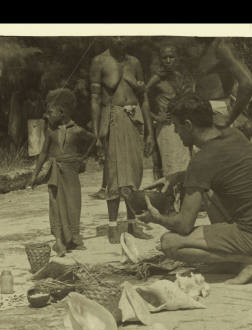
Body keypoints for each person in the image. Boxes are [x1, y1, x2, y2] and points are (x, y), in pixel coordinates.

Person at [138, 93, 252, 285]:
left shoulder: (202, 161)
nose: (176, 132)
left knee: (169, 243)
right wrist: (178, 177)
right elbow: (220, 171)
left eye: (176, 127)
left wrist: (157, 218)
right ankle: (231, 259)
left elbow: (184, 225)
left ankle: (249, 259)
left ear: (189, 125)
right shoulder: (233, 134)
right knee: (206, 191)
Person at [89, 37, 154, 244]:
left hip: (135, 120)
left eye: (124, 35)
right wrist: (97, 131)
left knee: (134, 174)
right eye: (116, 35)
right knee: (115, 175)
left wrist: (150, 131)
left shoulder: (134, 62)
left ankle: (133, 225)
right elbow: (95, 99)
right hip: (113, 118)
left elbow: (144, 99)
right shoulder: (99, 61)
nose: (120, 39)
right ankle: (112, 227)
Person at [29, 88, 96, 257]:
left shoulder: (77, 130)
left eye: (50, 112)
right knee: (56, 205)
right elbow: (43, 153)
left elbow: (93, 139)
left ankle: (73, 237)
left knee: (73, 203)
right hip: (55, 173)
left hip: (71, 172)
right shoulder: (51, 132)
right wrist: (34, 175)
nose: (47, 115)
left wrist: (83, 158)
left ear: (62, 112)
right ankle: (59, 241)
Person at [145, 44, 194, 209]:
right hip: (166, 128)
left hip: (181, 126)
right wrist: (155, 117)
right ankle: (169, 206)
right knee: (170, 166)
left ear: (177, 58)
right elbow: (140, 98)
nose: (168, 60)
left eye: (171, 57)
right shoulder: (156, 78)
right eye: (164, 57)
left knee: (185, 165)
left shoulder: (180, 76)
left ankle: (185, 205)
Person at [191, 37, 252, 141]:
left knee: (219, 153)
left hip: (216, 110)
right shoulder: (202, 46)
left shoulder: (221, 45)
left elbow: (249, 84)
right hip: (200, 110)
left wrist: (229, 118)